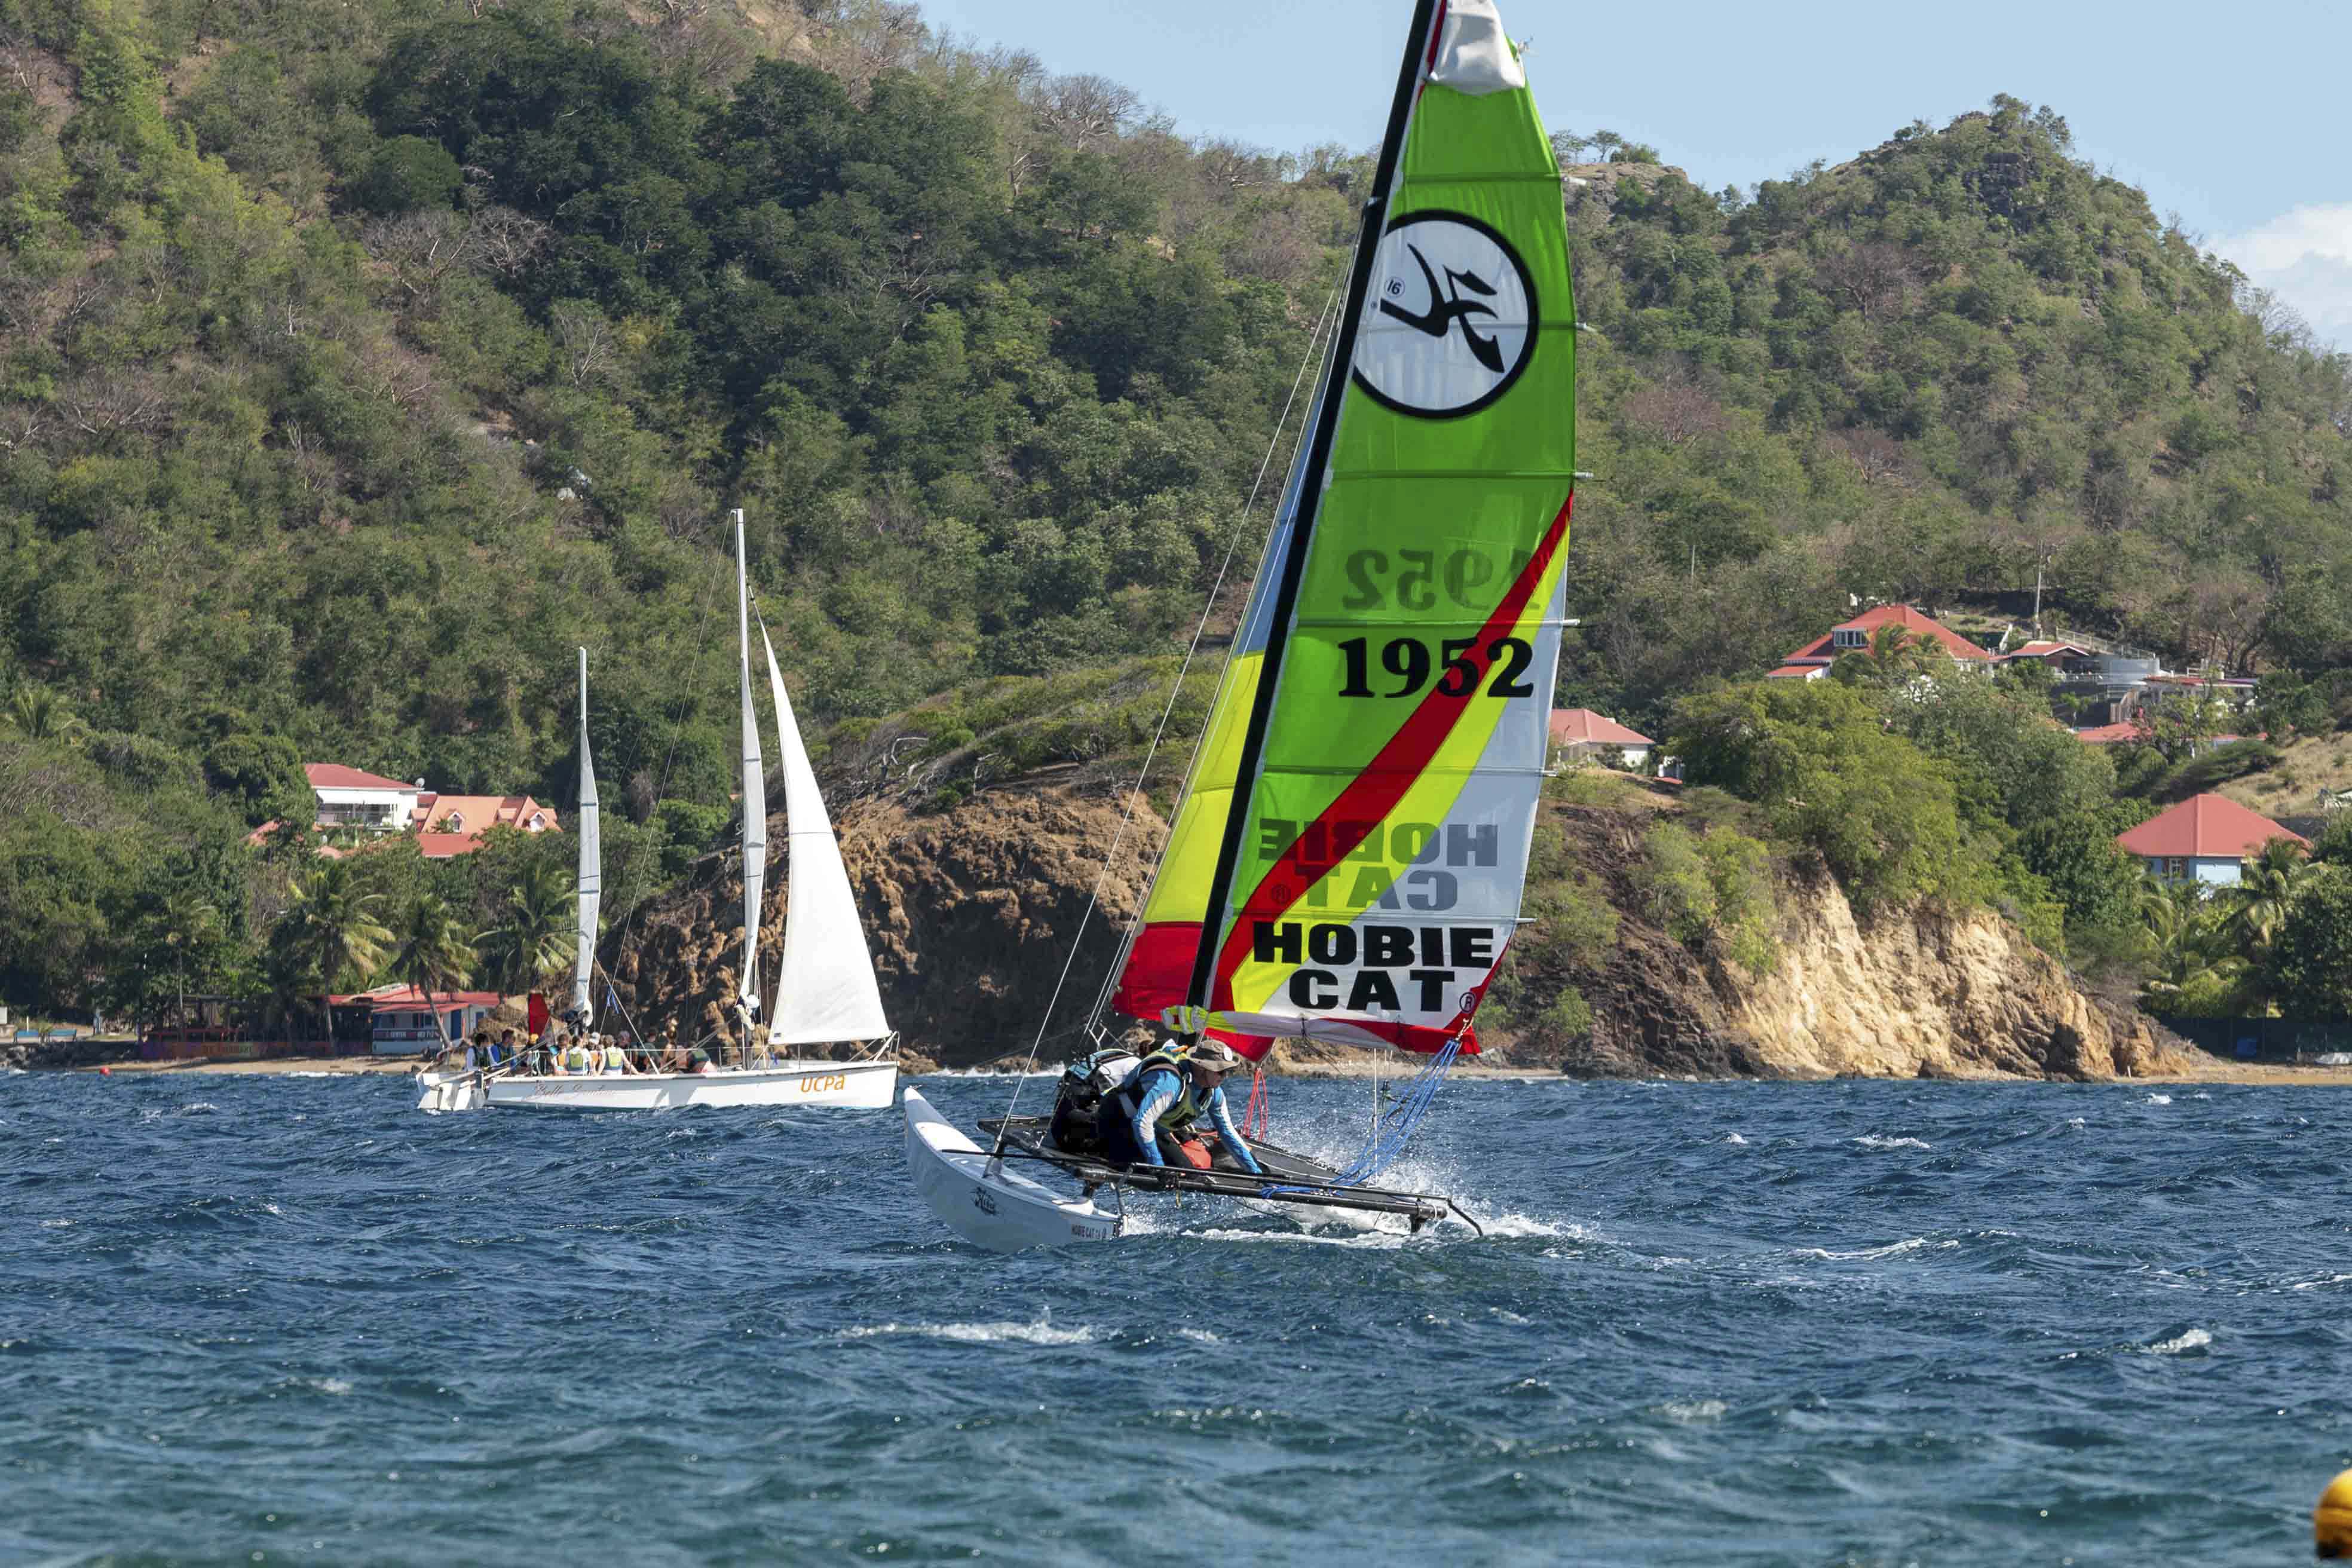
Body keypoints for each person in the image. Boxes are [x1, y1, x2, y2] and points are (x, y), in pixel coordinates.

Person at [1094, 1037, 1261, 1175]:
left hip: (1153, 1130)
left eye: (1228, 1071)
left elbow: (1227, 1132)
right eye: (1220, 1071)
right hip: (1117, 1121)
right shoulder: (1170, 1082)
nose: (1224, 1077)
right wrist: (1159, 1167)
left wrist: (1256, 1174)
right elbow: (1142, 1122)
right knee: (1154, 1172)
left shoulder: (1214, 1093)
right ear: (1202, 1068)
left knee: (1189, 1174)